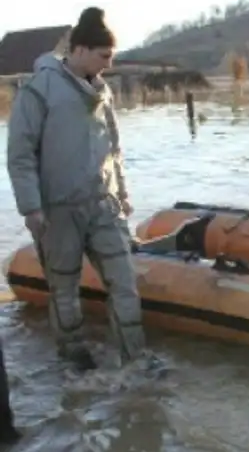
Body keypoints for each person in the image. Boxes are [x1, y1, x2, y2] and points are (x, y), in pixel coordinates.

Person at [6, 7, 145, 371]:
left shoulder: (104, 92)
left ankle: (134, 359)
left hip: (103, 205)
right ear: (80, 49)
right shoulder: (38, 90)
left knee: (125, 283)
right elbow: (20, 155)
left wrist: (123, 196)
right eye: (103, 56)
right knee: (64, 290)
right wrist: (31, 208)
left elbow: (114, 149)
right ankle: (74, 359)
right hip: (58, 210)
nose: (108, 64)